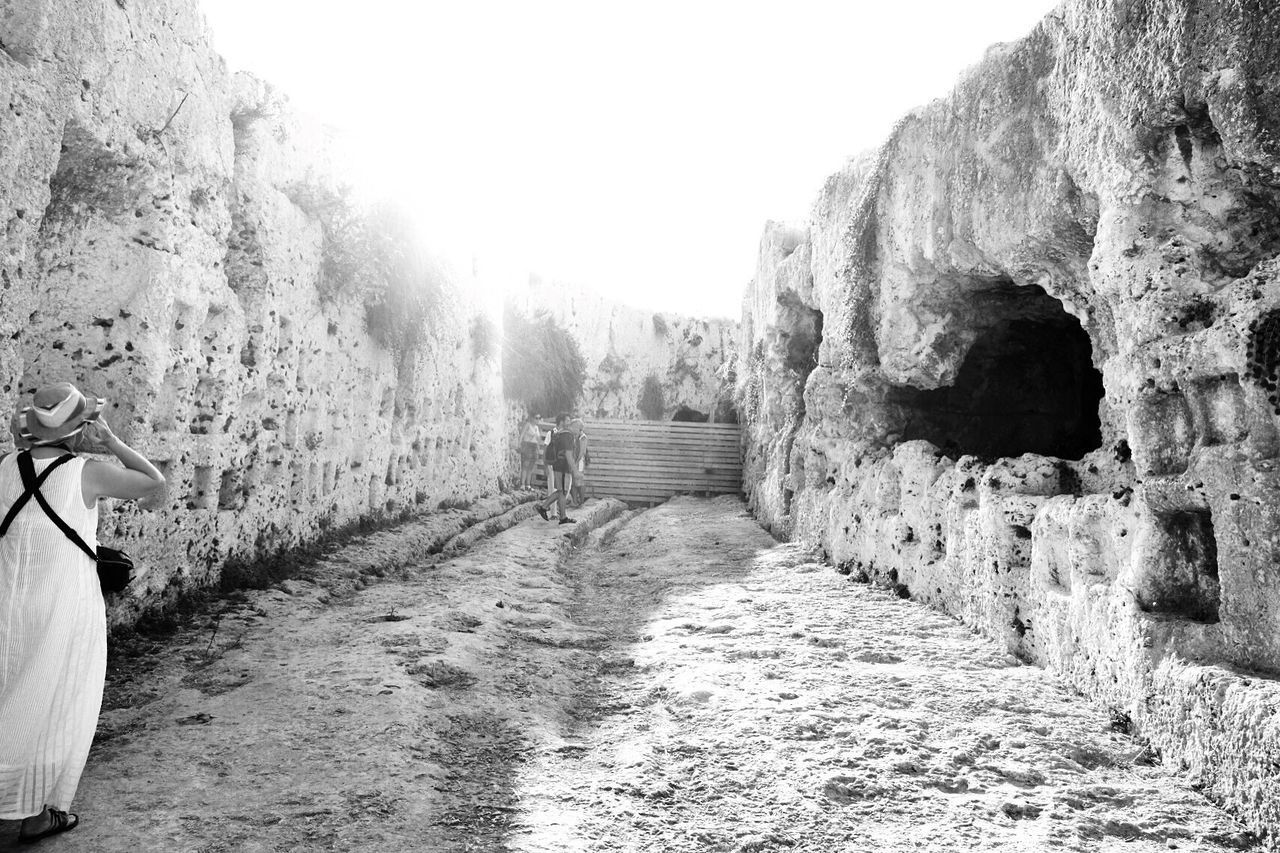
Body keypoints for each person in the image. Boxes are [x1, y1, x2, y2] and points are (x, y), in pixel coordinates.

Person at [0, 382, 166, 844]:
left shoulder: (3, 468)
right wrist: (111, 442)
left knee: (7, 691)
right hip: (64, 604)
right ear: (81, 429)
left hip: (9, 601)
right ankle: (33, 814)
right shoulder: (87, 472)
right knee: (60, 699)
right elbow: (154, 484)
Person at [534, 413, 576, 525]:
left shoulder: (561, 433)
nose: (570, 422)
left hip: (559, 466)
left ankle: (562, 516)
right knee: (561, 491)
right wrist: (545, 465)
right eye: (568, 420)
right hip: (560, 466)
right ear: (561, 421)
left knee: (562, 491)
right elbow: (546, 449)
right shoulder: (557, 433)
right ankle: (546, 508)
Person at [517, 412, 541, 488]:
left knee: (531, 466)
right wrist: (519, 444)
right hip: (527, 445)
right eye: (536, 418)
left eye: (539, 418)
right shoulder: (528, 425)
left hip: (534, 446)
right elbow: (522, 435)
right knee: (525, 465)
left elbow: (538, 439)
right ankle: (522, 484)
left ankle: (528, 484)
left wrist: (538, 447)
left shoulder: (536, 427)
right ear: (532, 418)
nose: (538, 420)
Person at [569, 418, 589, 507]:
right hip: (573, 461)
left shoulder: (583, 437)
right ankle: (574, 501)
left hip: (579, 462)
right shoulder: (573, 436)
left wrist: (576, 463)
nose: (571, 428)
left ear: (578, 427)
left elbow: (582, 452)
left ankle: (581, 501)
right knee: (573, 482)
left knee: (579, 482)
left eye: (573, 427)